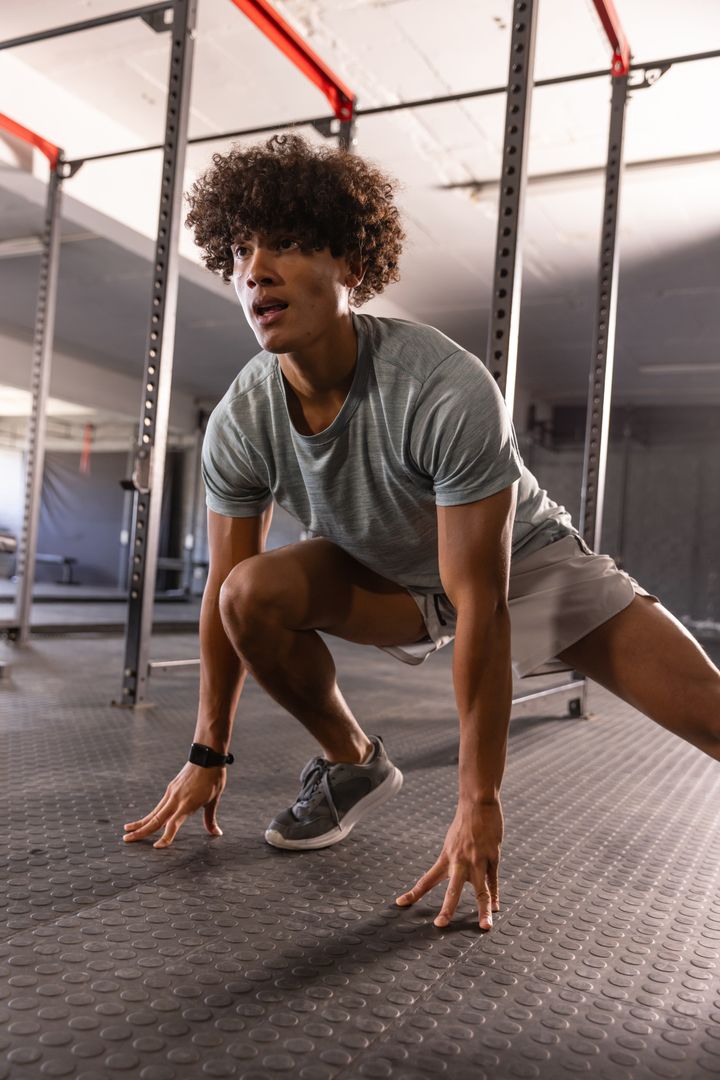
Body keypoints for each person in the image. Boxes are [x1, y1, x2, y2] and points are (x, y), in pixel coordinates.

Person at [123, 134, 720, 931]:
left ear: (354, 270)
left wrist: (480, 802)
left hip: (523, 569)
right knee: (247, 593)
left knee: (710, 714)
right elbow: (222, 601)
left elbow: (486, 607)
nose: (255, 269)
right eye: (239, 251)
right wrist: (208, 752)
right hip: (390, 577)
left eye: (289, 245)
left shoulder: (441, 385)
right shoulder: (243, 417)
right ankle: (350, 763)